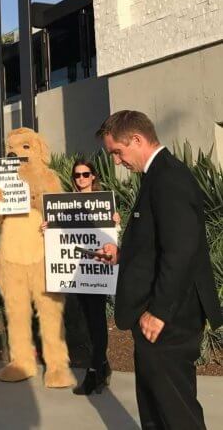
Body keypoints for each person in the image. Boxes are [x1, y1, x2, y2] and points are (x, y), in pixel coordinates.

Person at [95, 110, 222, 429]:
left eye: (117, 152)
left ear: (136, 139)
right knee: (155, 408)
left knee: (175, 411)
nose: (117, 162)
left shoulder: (168, 178)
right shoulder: (157, 177)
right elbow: (160, 242)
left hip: (170, 319)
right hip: (156, 316)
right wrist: (123, 255)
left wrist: (160, 312)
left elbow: (181, 249)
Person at [41, 158, 120, 395]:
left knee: (95, 320)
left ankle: (94, 372)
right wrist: (47, 229)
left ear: (93, 176)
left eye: (86, 174)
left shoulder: (104, 202)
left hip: (96, 271)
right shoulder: (65, 204)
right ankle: (102, 365)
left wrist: (116, 223)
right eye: (77, 175)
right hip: (76, 271)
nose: (81, 179)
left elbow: (111, 238)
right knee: (87, 323)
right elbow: (60, 237)